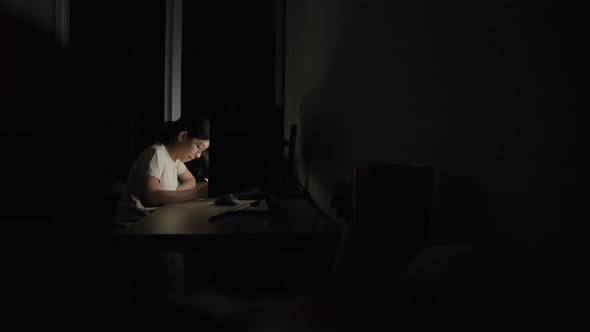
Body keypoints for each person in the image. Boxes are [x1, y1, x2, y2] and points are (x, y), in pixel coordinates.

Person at [115, 116, 211, 224]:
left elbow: (190, 180)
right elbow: (149, 197)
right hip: (135, 226)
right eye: (199, 147)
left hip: (157, 218)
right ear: (182, 136)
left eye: (202, 150)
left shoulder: (175, 160)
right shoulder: (156, 154)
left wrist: (174, 195)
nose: (198, 155)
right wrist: (198, 193)